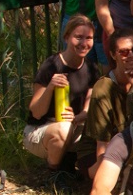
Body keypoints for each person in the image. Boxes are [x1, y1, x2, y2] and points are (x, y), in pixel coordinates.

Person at [23, 14, 98, 171]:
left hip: (74, 124)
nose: (84, 43)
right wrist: (50, 86)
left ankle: (78, 169)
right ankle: (54, 173)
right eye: (78, 37)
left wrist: (77, 117)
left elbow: (88, 108)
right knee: (63, 128)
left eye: (88, 38)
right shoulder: (51, 65)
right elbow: (36, 112)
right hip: (42, 129)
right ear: (66, 37)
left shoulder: (91, 68)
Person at [79, 28, 133, 177]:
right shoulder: (103, 88)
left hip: (130, 144)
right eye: (124, 52)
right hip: (99, 151)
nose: (131, 55)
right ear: (113, 55)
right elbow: (102, 145)